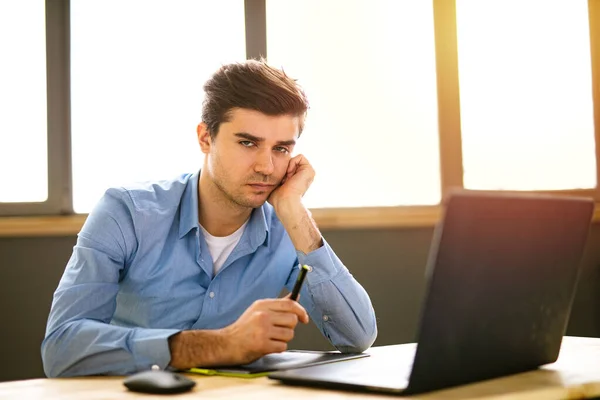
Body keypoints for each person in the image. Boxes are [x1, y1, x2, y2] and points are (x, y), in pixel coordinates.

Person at [41, 59, 377, 377]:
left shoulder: (287, 228)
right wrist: (220, 345)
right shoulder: (127, 212)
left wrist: (293, 209)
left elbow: (357, 336)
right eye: (248, 143)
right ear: (205, 138)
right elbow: (61, 347)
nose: (266, 167)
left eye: (281, 149)